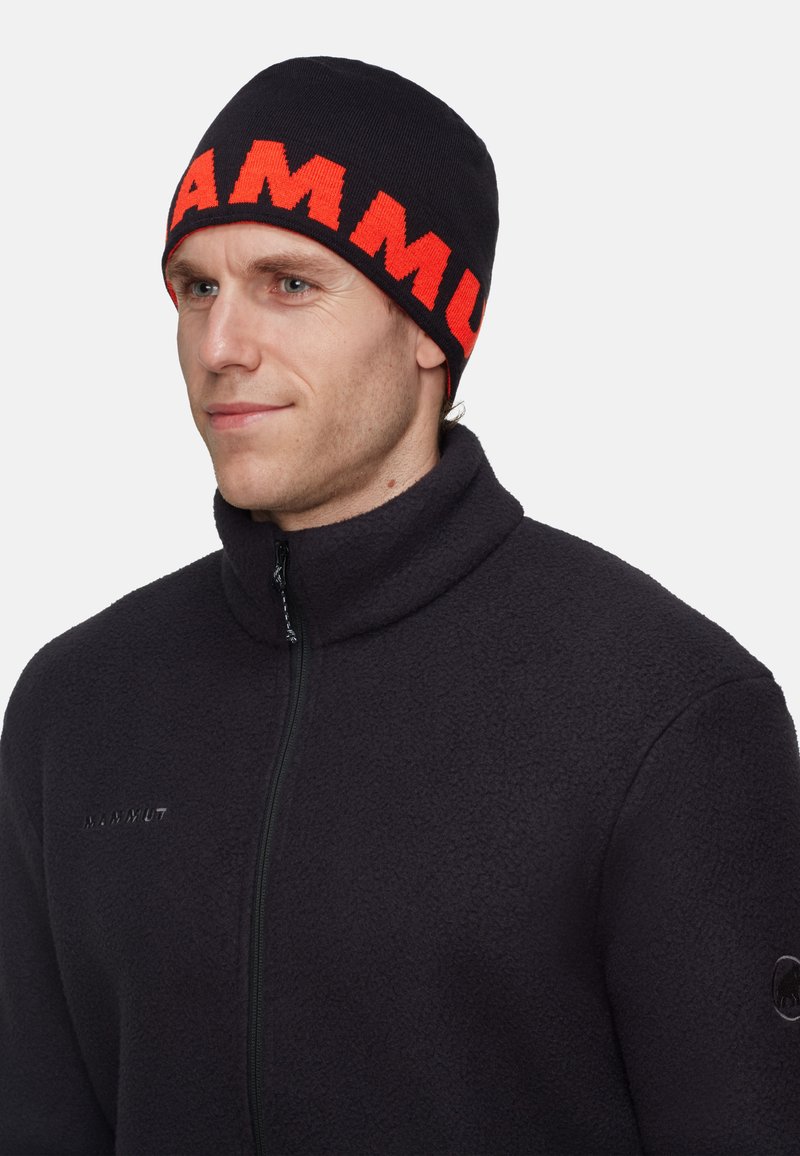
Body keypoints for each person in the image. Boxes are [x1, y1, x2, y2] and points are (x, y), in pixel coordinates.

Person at [1, 55, 798, 1156]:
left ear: (431, 324)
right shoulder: (77, 708)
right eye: (196, 288)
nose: (220, 347)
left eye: (288, 284)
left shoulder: (665, 713)